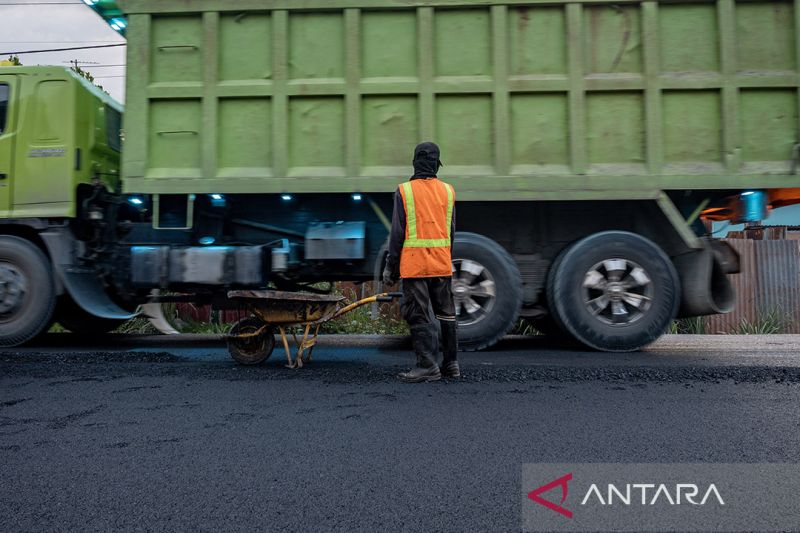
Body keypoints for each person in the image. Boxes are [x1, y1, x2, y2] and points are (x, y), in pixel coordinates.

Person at [383, 142, 459, 383]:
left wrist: (391, 268)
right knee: (446, 314)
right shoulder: (448, 191)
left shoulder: (404, 191)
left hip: (415, 266)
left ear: (415, 162)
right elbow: (452, 231)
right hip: (441, 263)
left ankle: (427, 365)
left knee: (419, 315)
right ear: (437, 164)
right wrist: (445, 257)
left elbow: (397, 234)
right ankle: (451, 365)